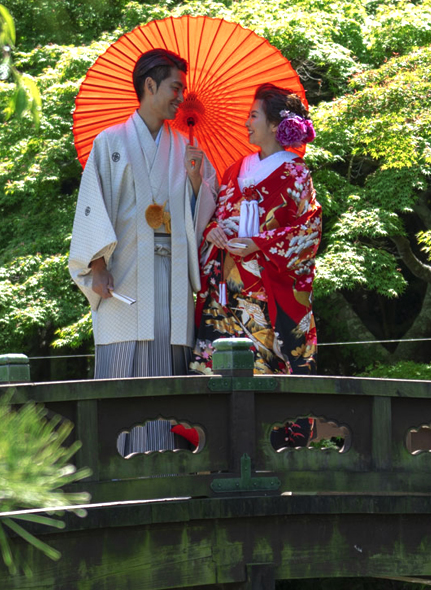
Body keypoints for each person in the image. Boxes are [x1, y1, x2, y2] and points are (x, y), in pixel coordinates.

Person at [69, 49, 219, 378]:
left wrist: (196, 184)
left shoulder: (186, 150)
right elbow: (95, 206)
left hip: (172, 274)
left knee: (170, 367)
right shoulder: (109, 143)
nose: (181, 97)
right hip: (123, 271)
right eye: (175, 88)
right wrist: (97, 267)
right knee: (122, 373)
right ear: (150, 86)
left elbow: (208, 216)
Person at [192, 85, 321, 375]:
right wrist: (213, 230)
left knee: (268, 376)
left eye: (253, 116)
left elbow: (307, 231)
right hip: (226, 292)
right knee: (219, 372)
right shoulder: (235, 169)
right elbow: (216, 215)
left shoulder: (296, 172)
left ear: (275, 125)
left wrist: (259, 243)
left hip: (269, 287)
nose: (246, 123)